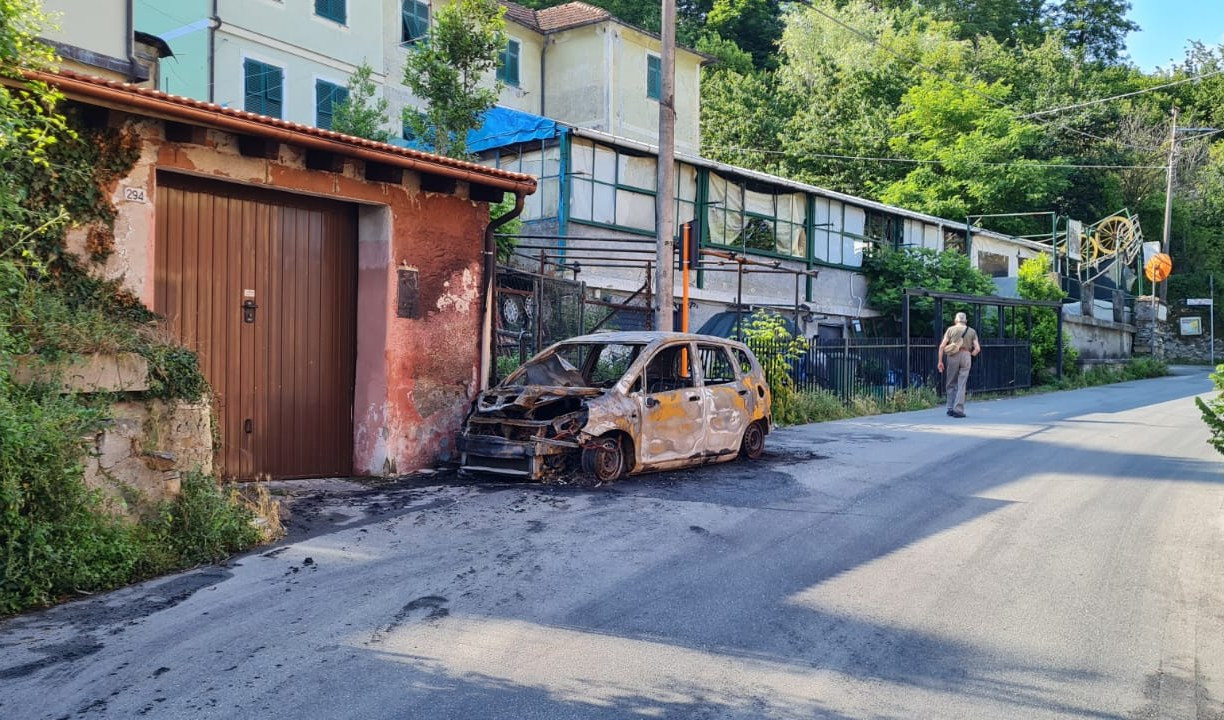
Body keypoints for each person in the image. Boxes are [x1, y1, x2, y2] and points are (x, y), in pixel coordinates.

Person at [937, 312, 980, 418]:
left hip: (953, 356)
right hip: (966, 355)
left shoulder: (950, 330)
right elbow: (977, 349)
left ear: (955, 320)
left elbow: (942, 346)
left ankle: (950, 408)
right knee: (962, 383)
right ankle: (958, 409)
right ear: (965, 321)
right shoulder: (972, 331)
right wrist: (970, 354)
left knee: (950, 382)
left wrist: (940, 361)